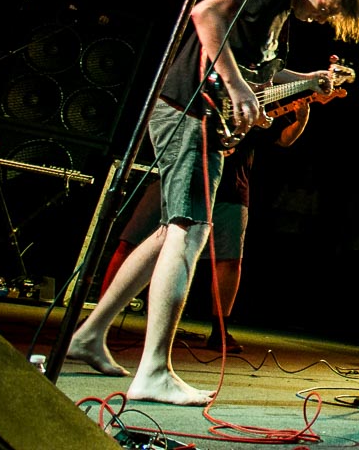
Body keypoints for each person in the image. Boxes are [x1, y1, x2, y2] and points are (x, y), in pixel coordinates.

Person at [67, 0, 359, 404]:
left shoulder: (279, 19)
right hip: (189, 114)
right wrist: (234, 86)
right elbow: (205, 12)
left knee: (167, 235)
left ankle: (89, 336)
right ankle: (152, 371)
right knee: (190, 234)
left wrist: (309, 81)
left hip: (203, 122)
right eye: (328, 10)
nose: (321, 20)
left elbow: (263, 76)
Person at [98, 102, 313, 355]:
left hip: (230, 189)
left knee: (229, 260)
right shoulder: (208, 87)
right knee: (130, 243)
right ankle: (99, 318)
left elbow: (283, 140)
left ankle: (219, 331)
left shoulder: (258, 100)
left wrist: (301, 120)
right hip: (179, 176)